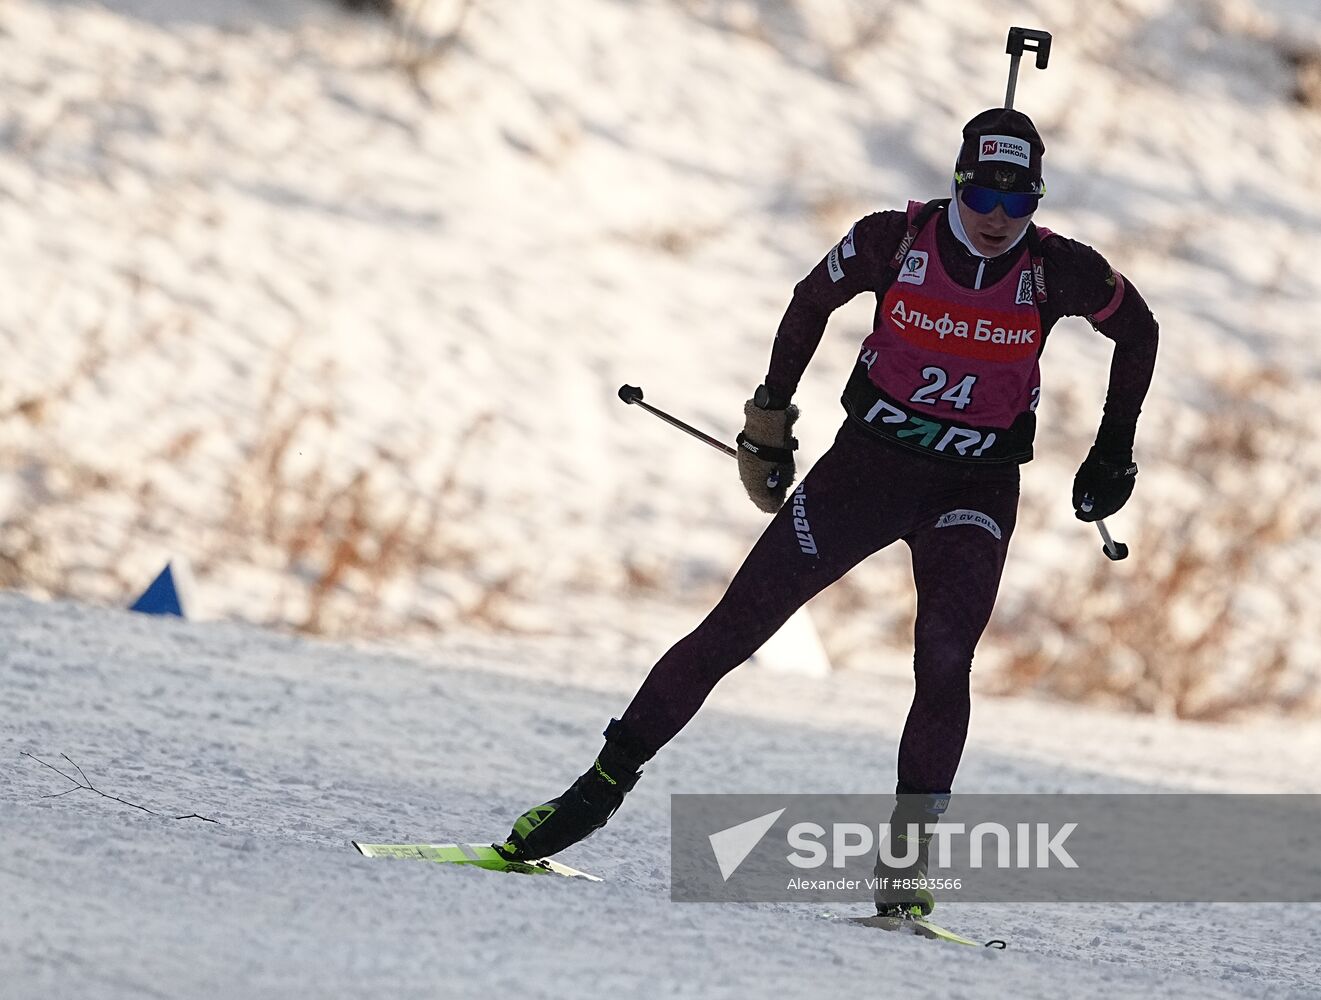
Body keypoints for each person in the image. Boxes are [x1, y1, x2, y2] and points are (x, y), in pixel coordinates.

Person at [496, 108, 1159, 917]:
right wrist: (768, 421)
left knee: (944, 663)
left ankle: (907, 867)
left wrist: (1112, 450)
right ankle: (593, 792)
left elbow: (1139, 329)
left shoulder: (1060, 271)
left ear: (1037, 203)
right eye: (982, 193)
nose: (996, 217)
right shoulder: (894, 240)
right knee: (736, 626)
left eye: (1017, 202)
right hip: (865, 471)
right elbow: (812, 300)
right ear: (956, 184)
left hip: (973, 487)